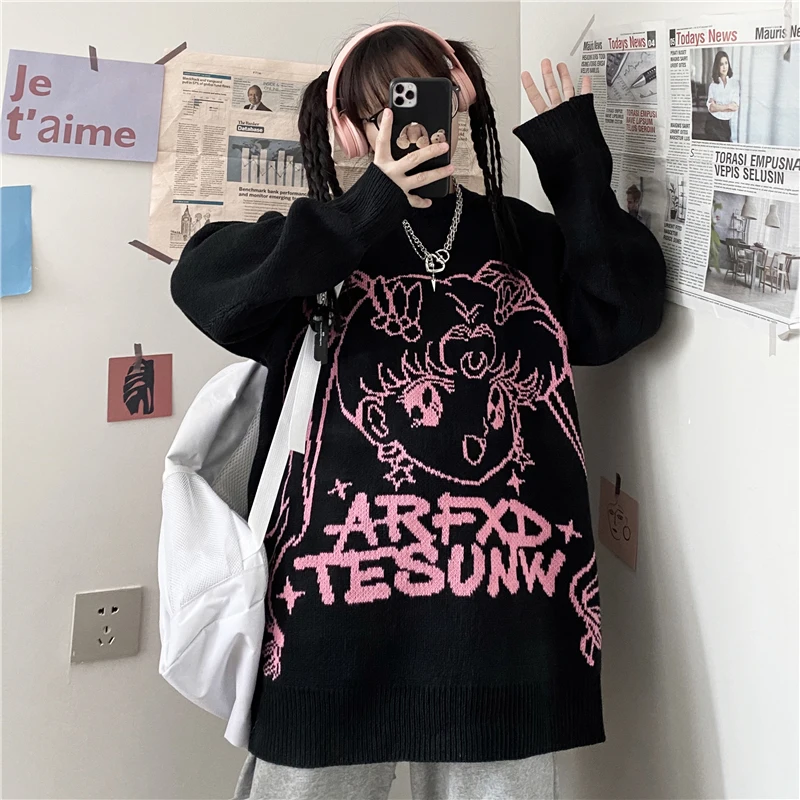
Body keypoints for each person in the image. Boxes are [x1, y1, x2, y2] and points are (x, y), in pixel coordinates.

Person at [171, 21, 666, 800]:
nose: (407, 124)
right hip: (330, 631)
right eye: (381, 110)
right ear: (348, 129)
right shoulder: (318, 246)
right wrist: (370, 204)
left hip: (505, 629)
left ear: (459, 99)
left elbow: (621, 315)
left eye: (423, 96)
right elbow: (203, 283)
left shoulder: (517, 239)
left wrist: (574, 166)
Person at [705, 50, 739, 142]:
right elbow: (711, 108)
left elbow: (735, 107)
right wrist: (728, 106)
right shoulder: (713, 85)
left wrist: (718, 106)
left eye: (726, 63)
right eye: (721, 64)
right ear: (717, 66)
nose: (724, 67)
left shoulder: (734, 84)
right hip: (713, 123)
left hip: (726, 124)